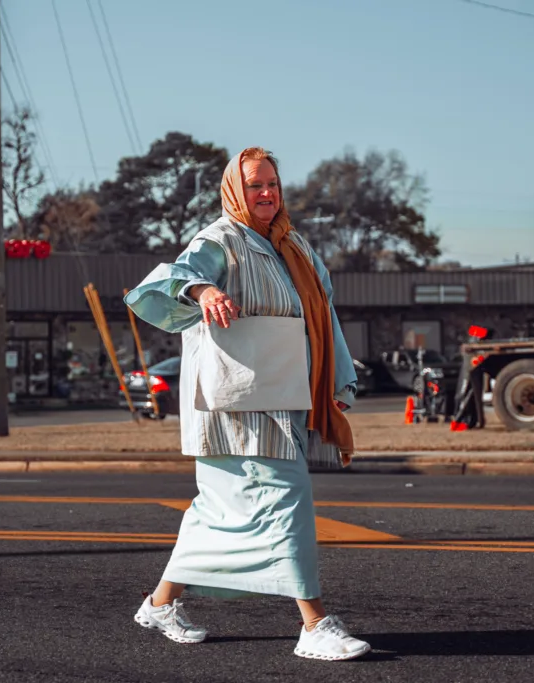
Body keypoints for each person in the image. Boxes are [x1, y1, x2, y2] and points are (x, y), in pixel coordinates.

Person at [123, 147, 371, 661]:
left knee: (217, 513)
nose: (266, 193)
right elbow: (174, 277)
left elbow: (323, 315)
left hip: (284, 393)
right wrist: (205, 290)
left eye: (273, 184)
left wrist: (336, 384)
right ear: (236, 190)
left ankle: (159, 603)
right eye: (256, 184)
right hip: (233, 402)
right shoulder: (220, 240)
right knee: (287, 496)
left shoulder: (294, 245)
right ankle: (315, 624)